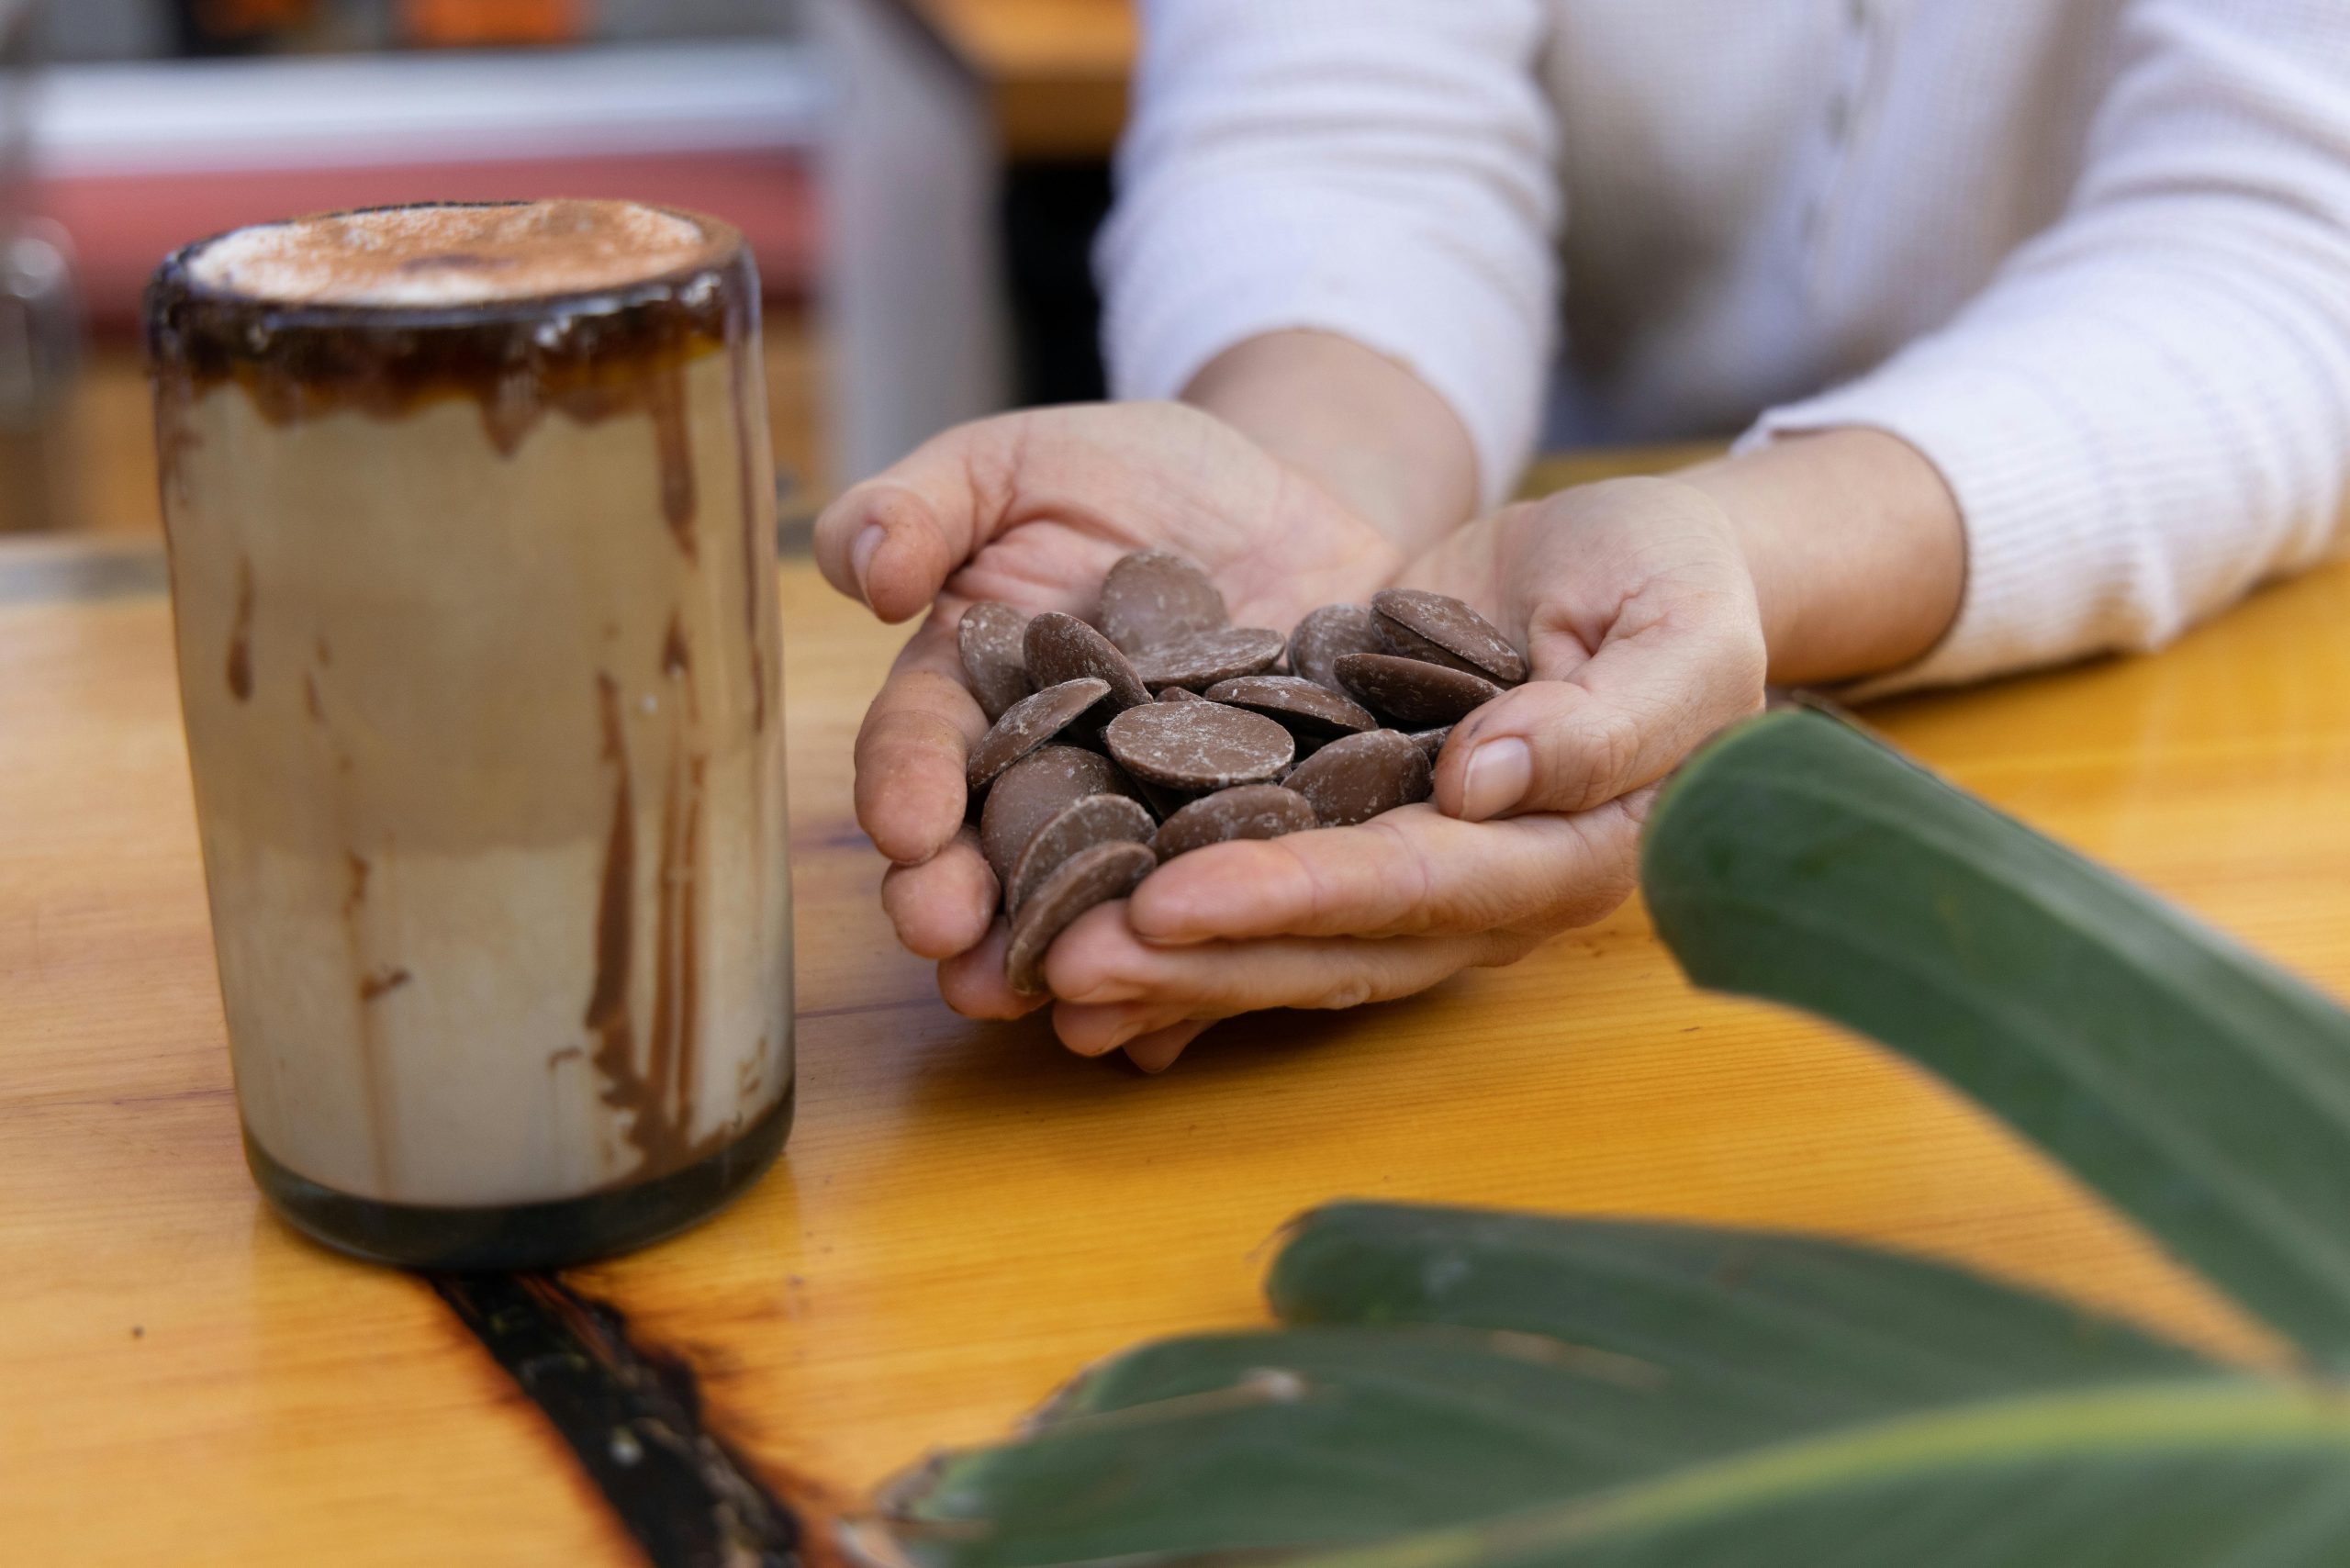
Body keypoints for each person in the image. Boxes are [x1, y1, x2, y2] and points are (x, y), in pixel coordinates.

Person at [815, 0, 2350, 1072]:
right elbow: (1348, 127)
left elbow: (2291, 245)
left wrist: (1745, 553)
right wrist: (1300, 467)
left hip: (2167, 768)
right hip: (1497, 520)